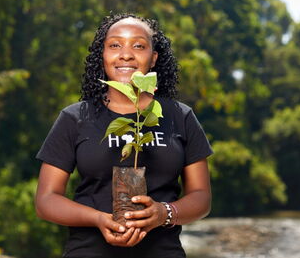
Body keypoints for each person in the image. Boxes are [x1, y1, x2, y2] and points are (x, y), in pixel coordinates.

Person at [34, 13, 213, 258]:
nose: (126, 54)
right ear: (103, 57)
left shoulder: (179, 116)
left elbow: (201, 198)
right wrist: (98, 219)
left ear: (153, 59)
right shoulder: (76, 118)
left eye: (138, 46)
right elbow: (46, 200)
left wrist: (164, 213)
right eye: (115, 45)